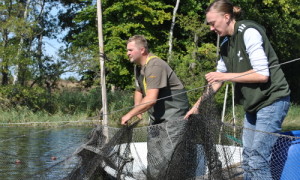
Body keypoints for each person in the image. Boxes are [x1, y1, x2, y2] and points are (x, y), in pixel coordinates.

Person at [184, 0, 290, 179]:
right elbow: (216, 81)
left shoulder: (249, 32)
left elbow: (262, 74)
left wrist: (224, 76)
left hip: (272, 100)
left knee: (257, 160)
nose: (211, 28)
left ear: (226, 17)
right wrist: (196, 107)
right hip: (252, 106)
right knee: (248, 158)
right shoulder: (225, 44)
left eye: (213, 23)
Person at [121, 35, 189, 179]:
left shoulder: (155, 65)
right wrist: (137, 107)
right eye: (127, 50)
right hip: (158, 117)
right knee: (154, 153)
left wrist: (129, 114)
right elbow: (139, 89)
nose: (127, 53)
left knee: (169, 154)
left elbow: (151, 99)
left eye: (130, 50)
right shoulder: (140, 68)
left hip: (174, 116)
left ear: (142, 50)